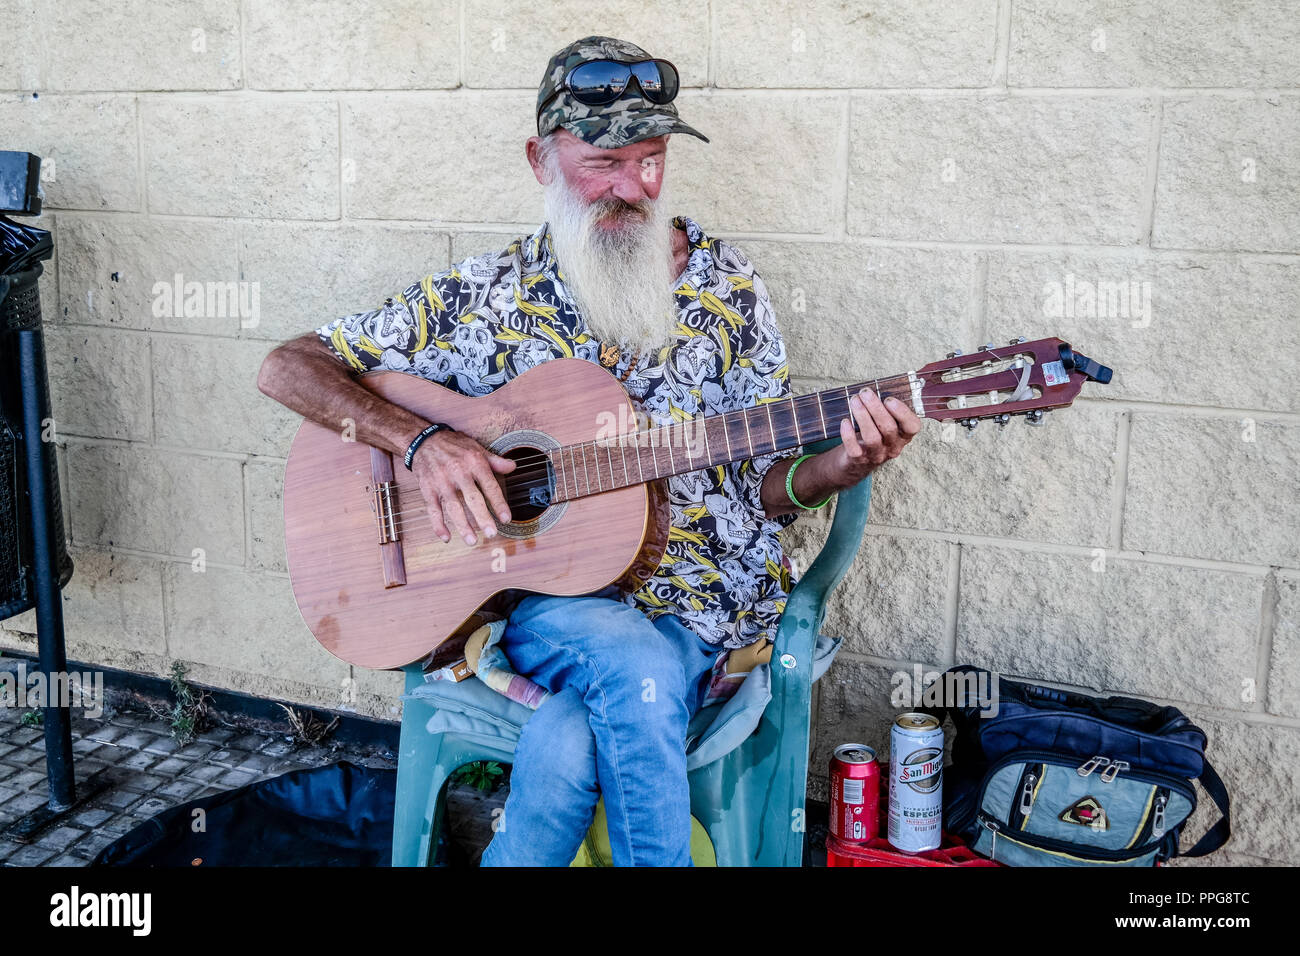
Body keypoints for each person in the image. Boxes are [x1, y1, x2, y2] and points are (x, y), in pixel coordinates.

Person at [257, 35, 922, 866]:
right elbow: (288, 367)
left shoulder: (729, 291)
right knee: (628, 658)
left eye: (652, 159)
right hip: (548, 606)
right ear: (542, 158)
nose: (635, 187)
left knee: (575, 737)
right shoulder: (486, 296)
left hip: (703, 605)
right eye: (606, 161)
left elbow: (764, 488)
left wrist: (841, 467)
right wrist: (422, 442)